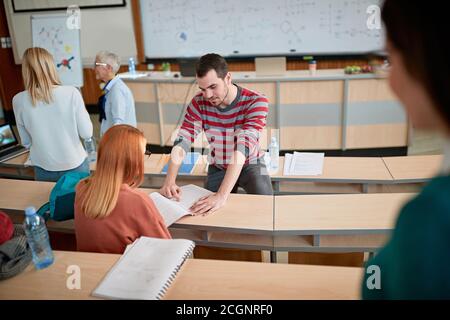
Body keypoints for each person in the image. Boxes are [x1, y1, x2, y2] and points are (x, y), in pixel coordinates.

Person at [362, 0, 450, 299]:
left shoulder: (430, 218)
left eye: (389, 58)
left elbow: (375, 282)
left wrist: (374, 270)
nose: (390, 79)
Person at [159, 53, 273, 215]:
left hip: (251, 163)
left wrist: (221, 195)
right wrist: (169, 181)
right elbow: (183, 140)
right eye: (202, 89)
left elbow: (243, 148)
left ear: (228, 78)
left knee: (266, 209)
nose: (208, 96)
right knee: (205, 213)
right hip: (218, 164)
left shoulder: (256, 102)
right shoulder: (199, 102)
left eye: (213, 87)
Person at [74, 125, 170, 254]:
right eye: (143, 154)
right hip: (125, 270)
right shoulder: (138, 201)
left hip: (91, 267)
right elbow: (166, 248)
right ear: (132, 161)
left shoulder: (82, 187)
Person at [13, 47, 93, 182]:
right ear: (50, 67)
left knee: (50, 203)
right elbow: (87, 133)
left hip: (43, 166)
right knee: (81, 203)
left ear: (25, 71)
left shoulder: (18, 100)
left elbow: (26, 142)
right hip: (74, 164)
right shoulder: (71, 93)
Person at [94, 51, 137, 136]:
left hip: (120, 141)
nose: (94, 68)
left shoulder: (117, 90)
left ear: (108, 68)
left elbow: (118, 122)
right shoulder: (112, 87)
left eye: (96, 65)